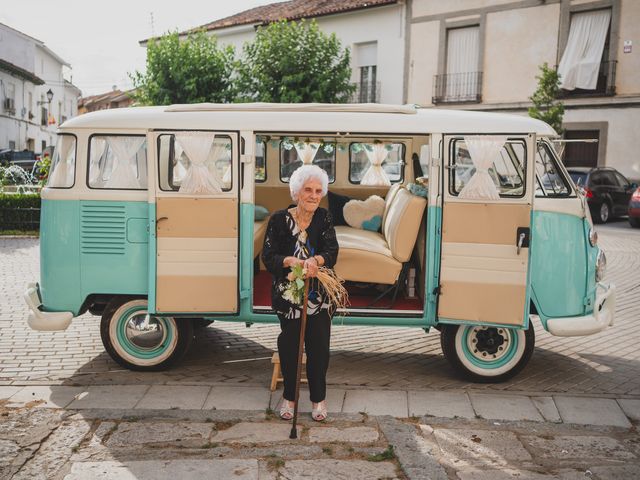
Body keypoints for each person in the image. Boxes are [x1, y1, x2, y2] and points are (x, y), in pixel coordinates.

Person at [261, 164, 339, 422]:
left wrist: (316, 260)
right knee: (290, 345)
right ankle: (289, 397)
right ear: (296, 192)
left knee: (319, 347)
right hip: (289, 295)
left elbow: (332, 251)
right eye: (308, 189)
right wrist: (291, 262)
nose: (314, 195)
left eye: (318, 190)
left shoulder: (324, 218)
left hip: (319, 292)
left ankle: (318, 399)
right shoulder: (278, 220)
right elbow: (268, 257)